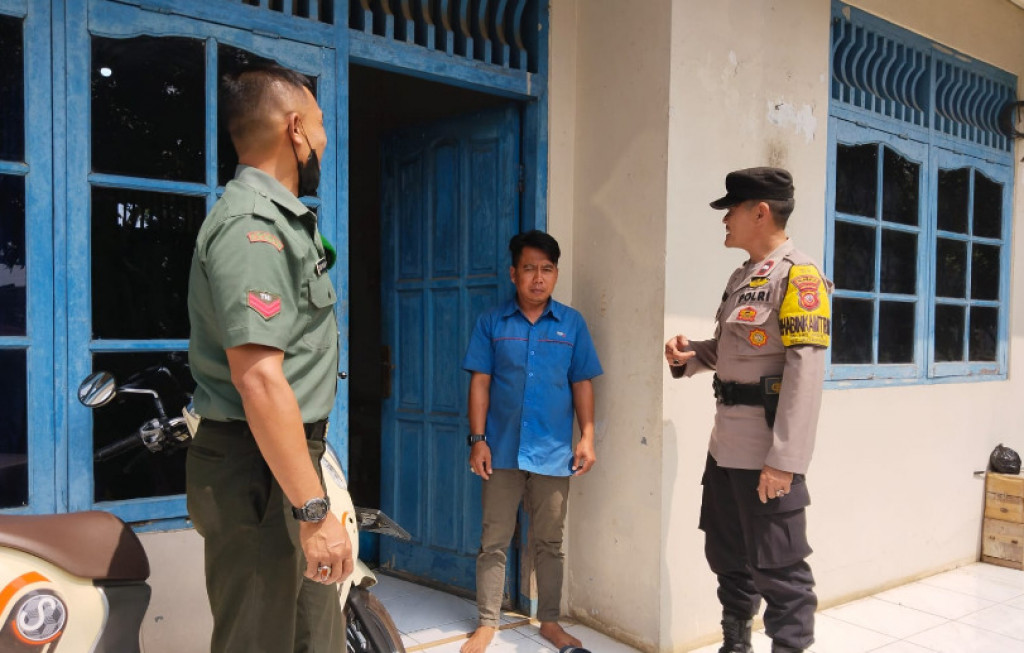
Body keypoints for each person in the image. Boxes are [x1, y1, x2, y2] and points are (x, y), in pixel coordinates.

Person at [185, 62, 351, 653]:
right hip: (257, 469)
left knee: (314, 637)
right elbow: (258, 379)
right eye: (323, 123)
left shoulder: (283, 223)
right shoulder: (252, 228)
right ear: (296, 128)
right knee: (260, 640)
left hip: (285, 459)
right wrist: (313, 511)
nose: (326, 139)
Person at [664, 168, 830, 653]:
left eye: (731, 210)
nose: (725, 221)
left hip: (766, 454)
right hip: (725, 448)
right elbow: (734, 351)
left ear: (760, 212)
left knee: (780, 570)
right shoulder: (744, 276)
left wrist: (785, 460)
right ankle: (735, 645)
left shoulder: (801, 278)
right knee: (728, 556)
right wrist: (691, 353)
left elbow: (806, 373)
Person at [460, 230, 603, 653]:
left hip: (554, 453)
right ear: (513, 273)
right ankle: (487, 622)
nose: (537, 278)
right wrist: (478, 440)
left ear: (555, 274)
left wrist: (588, 436)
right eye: (529, 269)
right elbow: (480, 384)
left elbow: (582, 384)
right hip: (500, 450)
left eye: (546, 269)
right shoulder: (492, 323)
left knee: (550, 543)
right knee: (494, 540)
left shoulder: (572, 324)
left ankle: (551, 621)